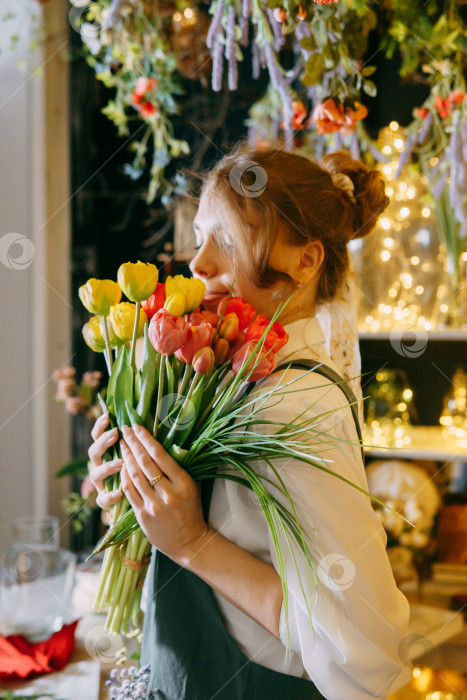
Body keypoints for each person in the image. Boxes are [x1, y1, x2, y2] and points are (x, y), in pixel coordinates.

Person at [89, 144, 411, 700]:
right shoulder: (235, 377)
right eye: (199, 239)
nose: (199, 265)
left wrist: (190, 540)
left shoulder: (295, 403)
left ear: (306, 262)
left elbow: (360, 650)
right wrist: (135, 495)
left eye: (228, 241)